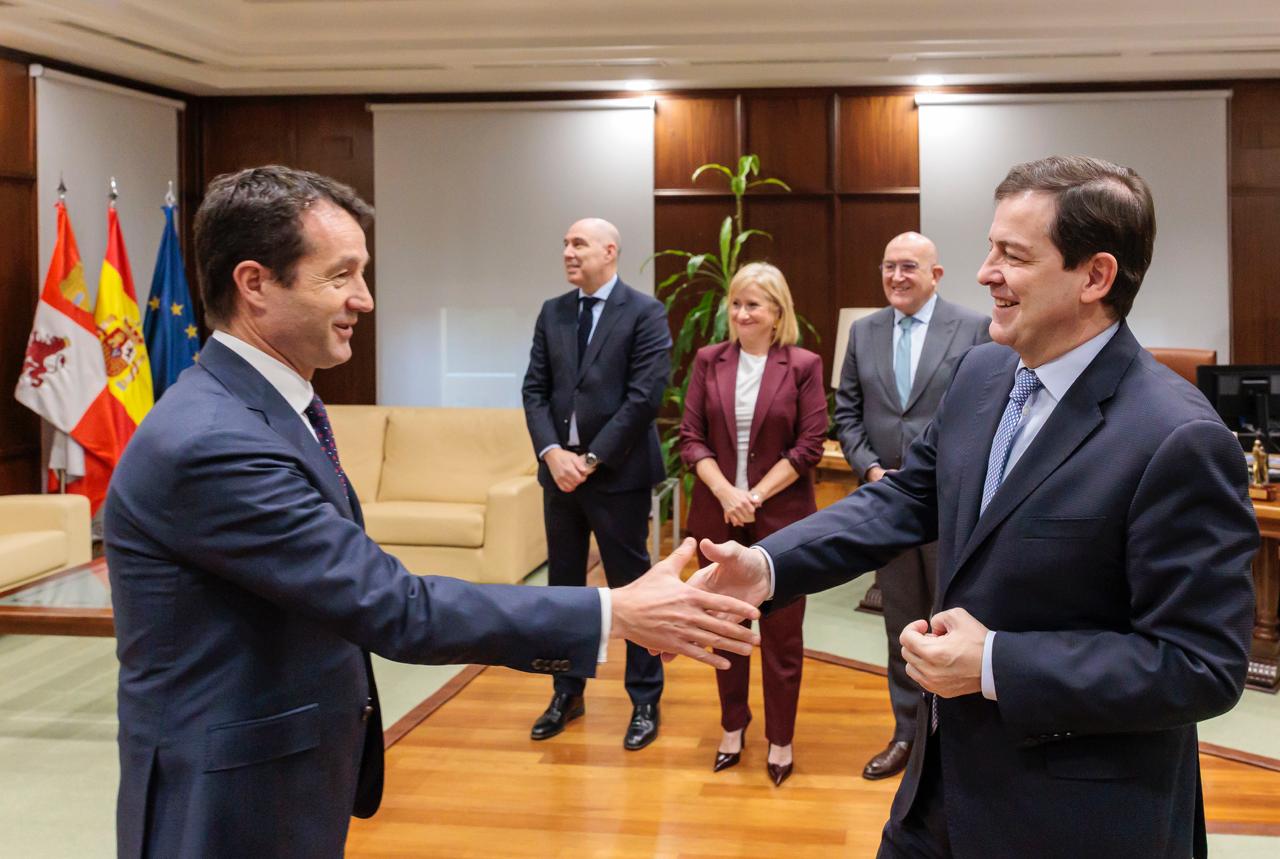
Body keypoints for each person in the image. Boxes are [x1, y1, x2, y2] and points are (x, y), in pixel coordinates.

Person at [104, 166, 761, 859]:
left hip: (277, 780)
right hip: (223, 805)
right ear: (255, 283)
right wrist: (614, 611)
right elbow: (393, 606)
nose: (365, 298)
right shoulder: (213, 441)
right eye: (341, 275)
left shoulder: (262, 409)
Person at [688, 155, 1258, 858]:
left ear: (1095, 276)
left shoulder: (1178, 437)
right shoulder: (983, 372)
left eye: (1013, 255)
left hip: (1073, 821)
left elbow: (1199, 665)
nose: (986, 272)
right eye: (991, 248)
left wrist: (995, 662)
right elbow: (908, 496)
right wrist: (769, 565)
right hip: (936, 794)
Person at [833, 232, 990, 780]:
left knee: (952, 622)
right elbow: (847, 410)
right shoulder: (863, 331)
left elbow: (985, 411)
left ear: (935, 274)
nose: (896, 277)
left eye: (908, 267)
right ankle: (907, 733)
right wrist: (871, 470)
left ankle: (953, 741)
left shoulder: (972, 327)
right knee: (900, 623)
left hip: (951, 507)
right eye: (888, 266)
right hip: (888, 505)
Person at [521, 218, 672, 751]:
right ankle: (567, 692)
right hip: (559, 478)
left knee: (635, 590)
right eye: (565, 243)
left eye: (578, 243)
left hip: (618, 476)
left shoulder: (645, 312)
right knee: (563, 590)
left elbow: (644, 398)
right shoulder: (553, 312)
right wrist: (552, 453)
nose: (568, 251)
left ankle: (645, 699)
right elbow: (534, 390)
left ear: (609, 251)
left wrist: (590, 459)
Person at [678, 262, 827, 786]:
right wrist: (726, 493)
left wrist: (755, 496)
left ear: (777, 313)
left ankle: (781, 738)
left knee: (782, 637)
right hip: (718, 516)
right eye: (736, 304)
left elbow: (809, 446)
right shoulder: (708, 360)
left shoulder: (803, 364)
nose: (741, 314)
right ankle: (732, 727)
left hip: (782, 521)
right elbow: (690, 438)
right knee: (724, 628)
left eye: (753, 305)